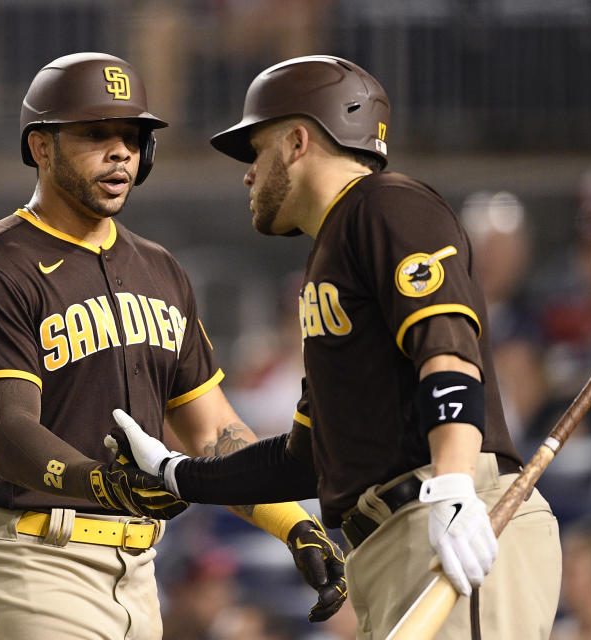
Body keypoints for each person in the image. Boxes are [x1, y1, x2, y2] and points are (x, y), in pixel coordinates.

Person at [112, 55, 562, 639]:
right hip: (391, 541)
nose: (248, 174)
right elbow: (306, 458)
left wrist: (453, 487)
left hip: (448, 516)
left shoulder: (387, 204)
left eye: (257, 150)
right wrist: (178, 474)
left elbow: (447, 351)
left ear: (298, 141)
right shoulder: (334, 249)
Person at [0, 52, 346, 640]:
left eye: (132, 136)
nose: (121, 150)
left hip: (138, 571)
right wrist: (103, 481)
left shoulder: (160, 269)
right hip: (33, 558)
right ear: (41, 147)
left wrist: (294, 525)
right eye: (96, 133)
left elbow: (212, 433)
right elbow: (9, 436)